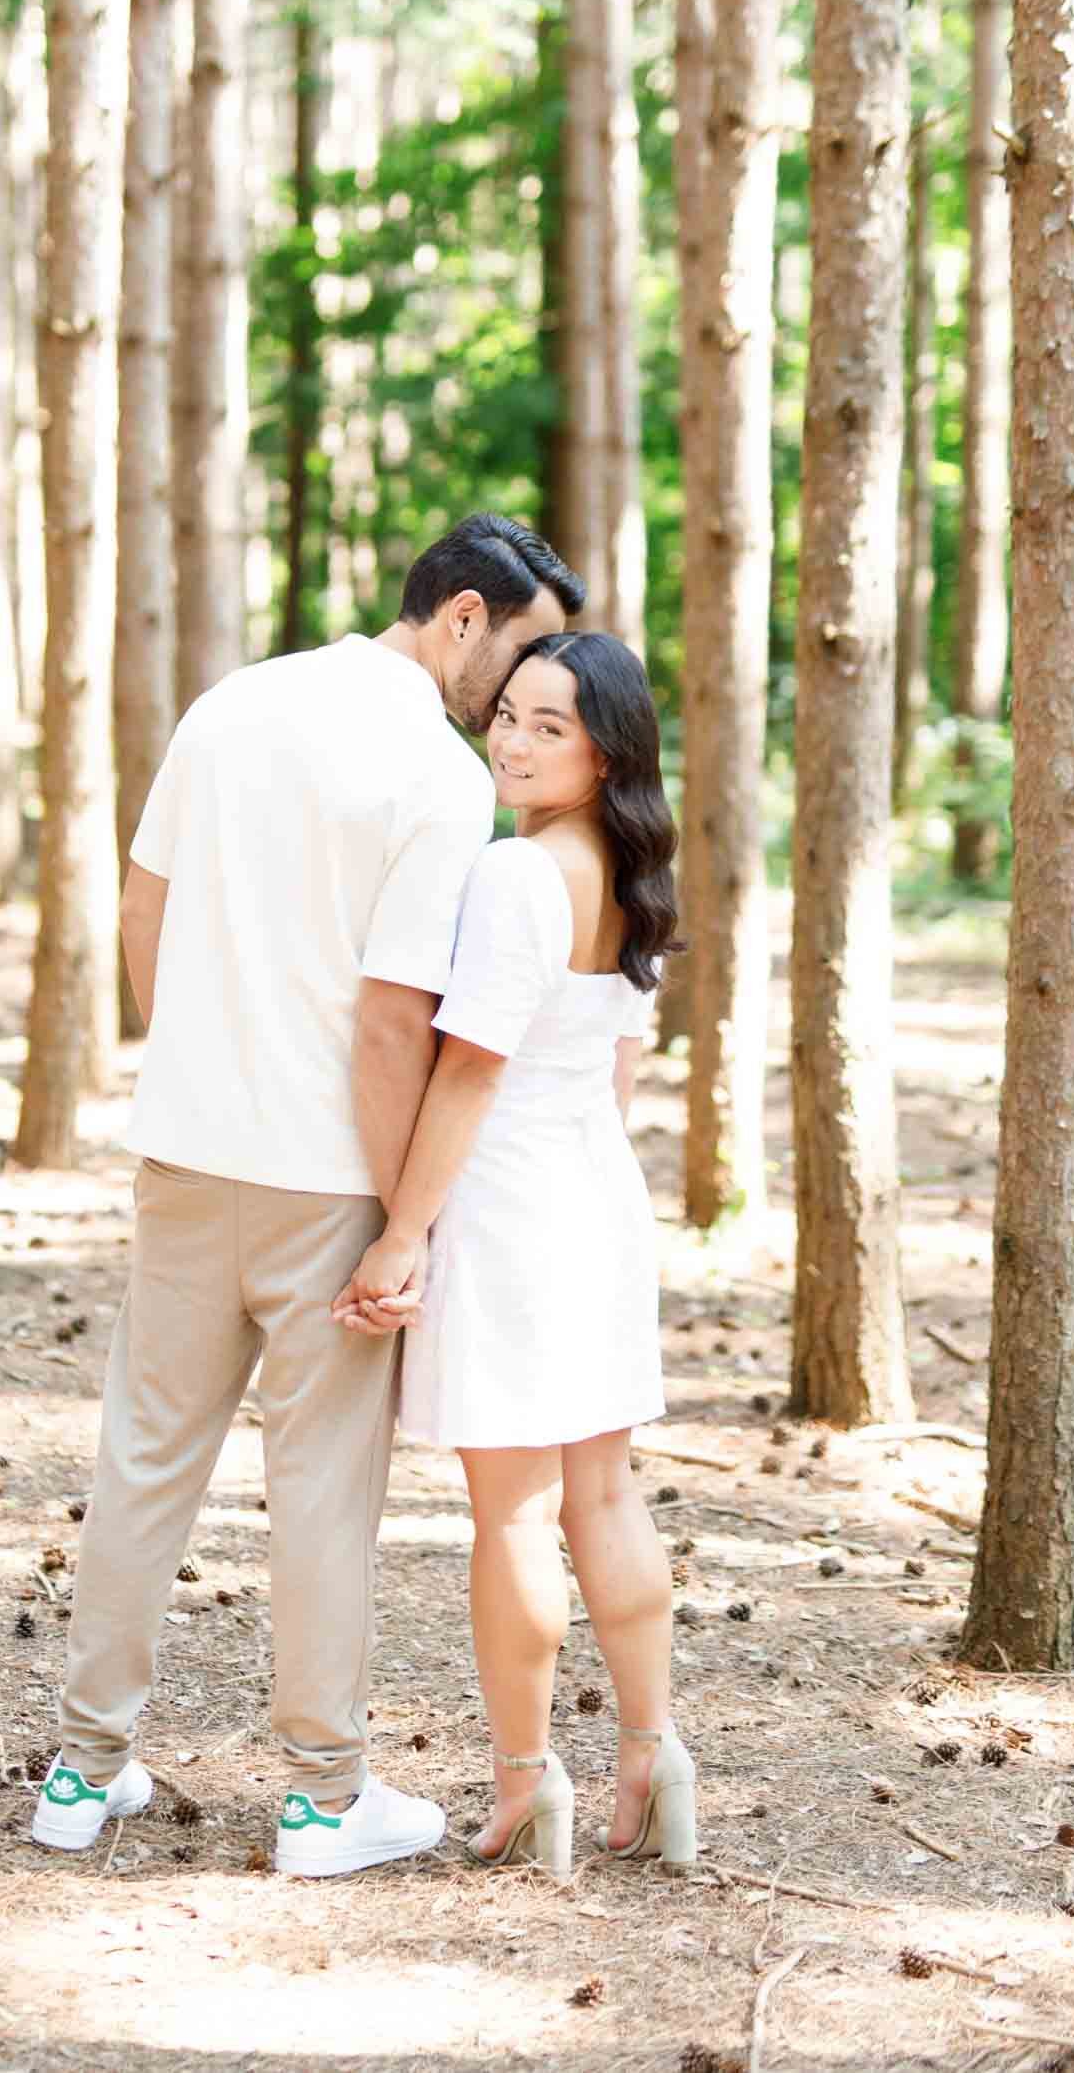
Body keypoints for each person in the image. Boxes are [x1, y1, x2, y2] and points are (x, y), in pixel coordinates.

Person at [30, 513, 585, 1876]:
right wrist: (405, 1218)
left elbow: (142, 905)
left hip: (186, 1152)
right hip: (326, 1179)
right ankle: (322, 1799)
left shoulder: (236, 704)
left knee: (143, 1462)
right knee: (321, 1493)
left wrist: (194, 1067)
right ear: (462, 615)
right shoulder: (436, 778)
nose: (515, 698)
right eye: (517, 654)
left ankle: (78, 1772)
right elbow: (396, 1023)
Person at [340, 631, 691, 1879]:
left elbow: (470, 1068)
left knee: (516, 1512)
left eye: (552, 725)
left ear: (606, 750)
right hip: (596, 1194)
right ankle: (653, 1753)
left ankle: (523, 1781)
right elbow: (614, 1064)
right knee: (602, 1489)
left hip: (511, 1209)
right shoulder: (630, 869)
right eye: (510, 714)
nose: (515, 739)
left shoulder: (515, 875)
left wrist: (400, 1230)